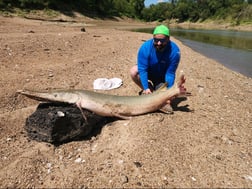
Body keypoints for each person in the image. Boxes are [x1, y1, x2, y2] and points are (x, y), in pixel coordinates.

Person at [130, 24, 186, 112]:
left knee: (167, 99)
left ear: (168, 39)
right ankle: (149, 91)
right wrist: (145, 87)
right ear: (153, 38)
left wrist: (169, 92)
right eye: (156, 40)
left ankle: (158, 92)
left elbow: (170, 73)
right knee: (134, 71)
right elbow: (142, 70)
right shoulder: (145, 48)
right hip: (149, 73)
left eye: (162, 40)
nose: (159, 43)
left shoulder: (175, 51)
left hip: (161, 78)